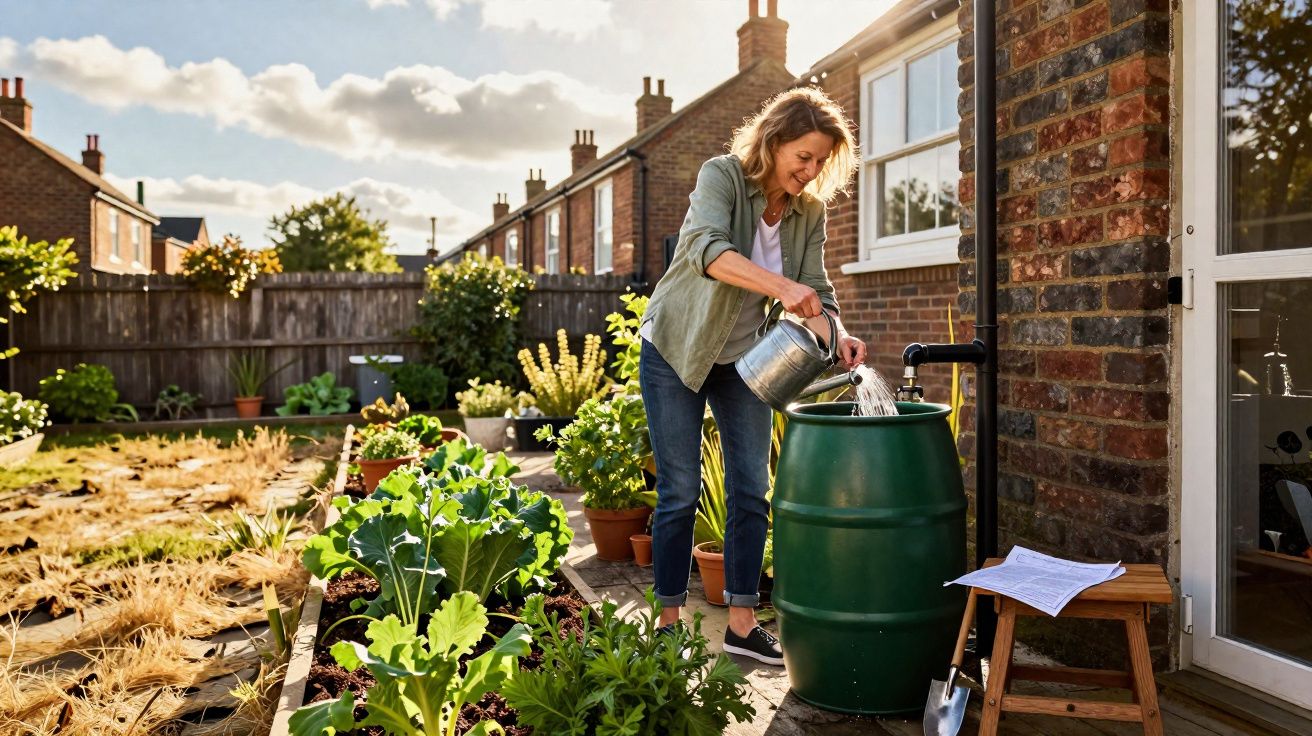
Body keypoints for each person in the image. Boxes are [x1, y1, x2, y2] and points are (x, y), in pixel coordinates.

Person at [638, 87, 865, 665]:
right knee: (680, 491)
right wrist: (787, 290)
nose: (811, 171)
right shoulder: (721, 178)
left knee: (750, 490)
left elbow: (820, 287)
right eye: (804, 157)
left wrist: (837, 336)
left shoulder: (807, 211)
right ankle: (668, 623)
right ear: (774, 141)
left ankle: (740, 623)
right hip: (677, 350)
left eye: (821, 162)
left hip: (744, 362)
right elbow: (708, 252)